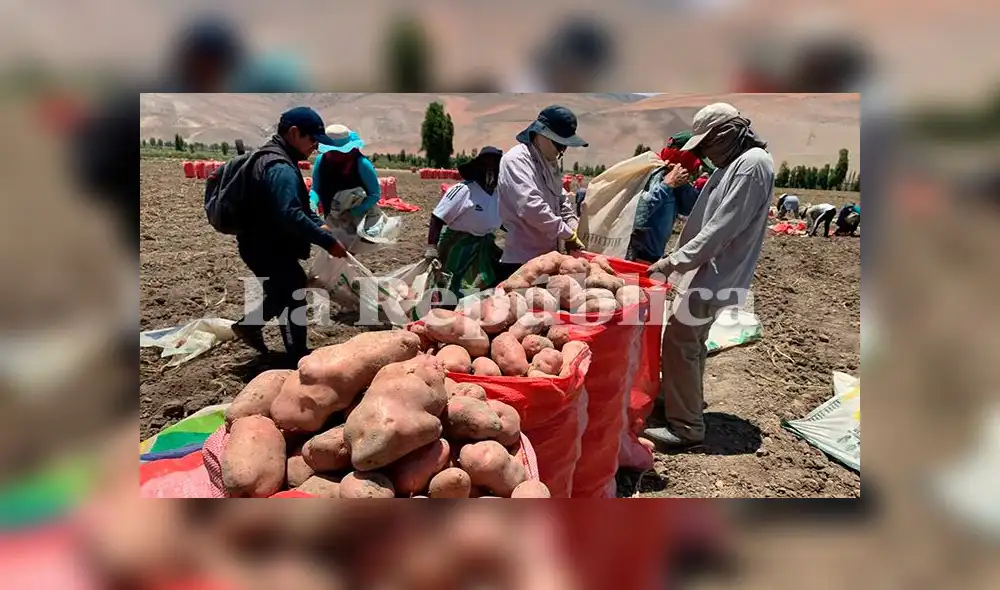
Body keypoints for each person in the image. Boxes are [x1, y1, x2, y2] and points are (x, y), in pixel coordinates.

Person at [643, 103, 775, 448]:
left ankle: (686, 428)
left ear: (726, 134)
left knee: (681, 342)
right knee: (688, 342)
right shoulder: (734, 163)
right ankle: (679, 402)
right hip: (707, 270)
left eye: (706, 144)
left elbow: (721, 229)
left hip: (715, 273)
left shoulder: (751, 166)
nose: (704, 152)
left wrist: (673, 261)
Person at [231, 107, 347, 361]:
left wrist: (318, 224)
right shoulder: (280, 167)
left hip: (261, 244)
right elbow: (290, 214)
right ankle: (297, 355)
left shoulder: (272, 157)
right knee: (291, 292)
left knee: (283, 291)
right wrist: (328, 242)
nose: (315, 147)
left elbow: (301, 208)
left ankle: (249, 327)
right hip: (266, 246)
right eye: (312, 139)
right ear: (294, 133)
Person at [497, 105, 588, 279]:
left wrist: (573, 226)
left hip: (550, 259)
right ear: (541, 134)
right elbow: (531, 207)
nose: (562, 150)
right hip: (522, 261)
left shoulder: (550, 163)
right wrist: (567, 234)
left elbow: (561, 200)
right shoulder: (517, 160)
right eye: (559, 144)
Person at [425, 147, 505, 299]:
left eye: (495, 169)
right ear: (478, 169)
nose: (491, 173)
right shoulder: (463, 190)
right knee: (450, 286)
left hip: (484, 246)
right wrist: (431, 246)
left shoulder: (497, 195)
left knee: (488, 282)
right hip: (458, 245)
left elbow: (499, 221)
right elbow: (437, 217)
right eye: (487, 168)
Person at [310, 125, 381, 226]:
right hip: (331, 216)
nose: (333, 155)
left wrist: (353, 213)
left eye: (337, 151)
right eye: (330, 151)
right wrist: (312, 202)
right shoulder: (321, 161)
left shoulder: (362, 164)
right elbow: (316, 189)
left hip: (359, 220)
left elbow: (375, 194)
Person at [626, 163, 695, 264]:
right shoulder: (651, 174)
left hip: (653, 255)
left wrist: (683, 185)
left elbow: (689, 208)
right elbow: (639, 214)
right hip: (634, 254)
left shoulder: (674, 180)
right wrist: (666, 186)